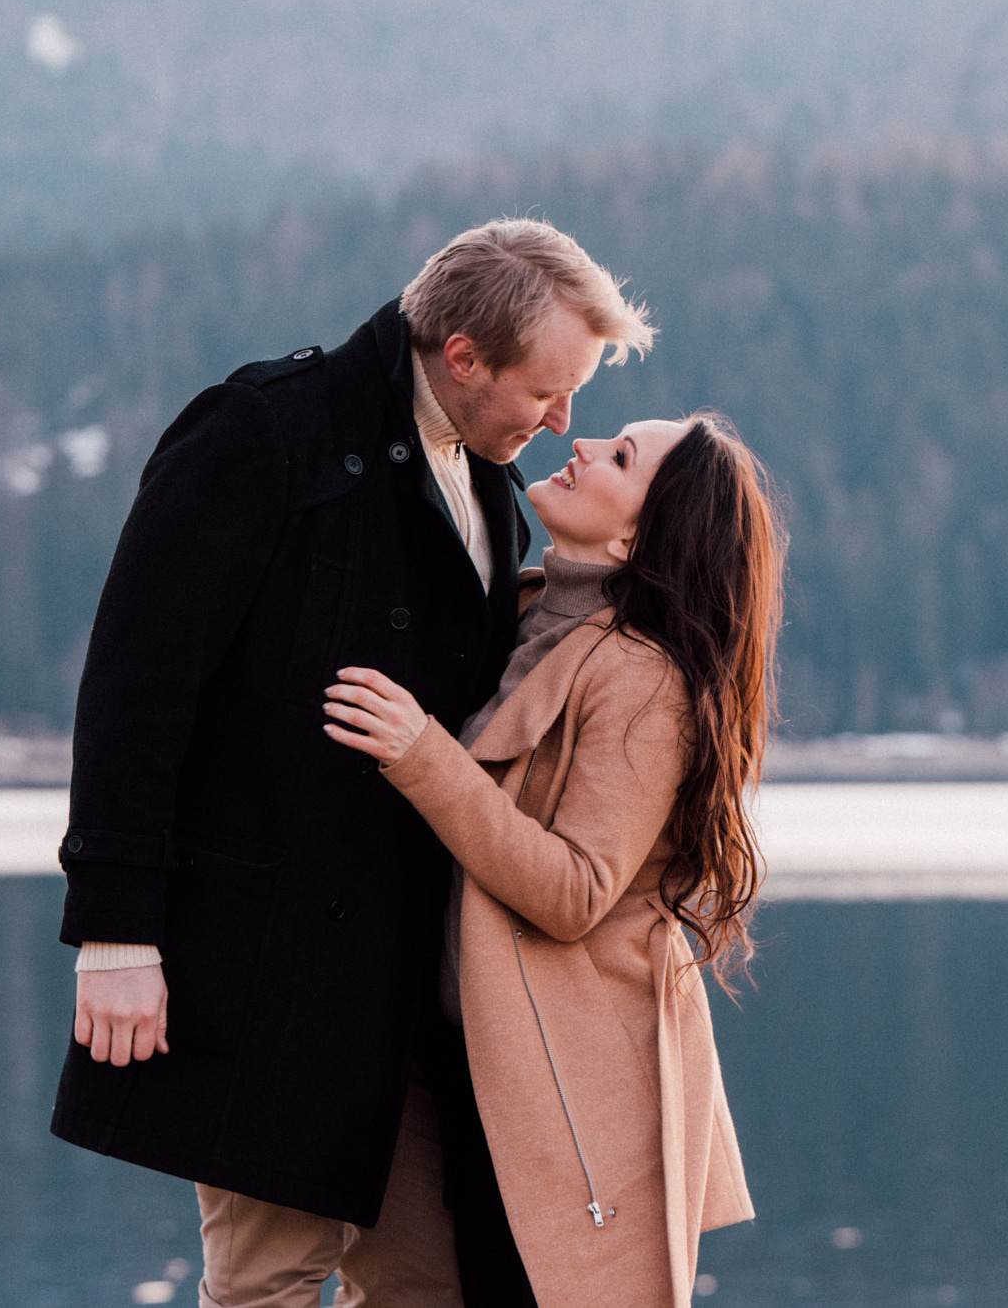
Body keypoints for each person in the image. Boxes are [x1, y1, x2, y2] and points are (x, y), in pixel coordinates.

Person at [50, 218, 655, 1307]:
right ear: (461, 355)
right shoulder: (262, 432)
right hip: (269, 966)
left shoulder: (485, 477)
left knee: (432, 1283)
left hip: (418, 988)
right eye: (545, 391)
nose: (565, 420)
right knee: (269, 1282)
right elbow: (137, 686)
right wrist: (114, 930)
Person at [323, 410, 785, 1307]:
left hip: (563, 1092)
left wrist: (423, 754)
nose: (582, 444)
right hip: (479, 1065)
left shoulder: (642, 677)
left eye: (620, 458)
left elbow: (576, 890)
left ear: (634, 535)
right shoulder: (535, 611)